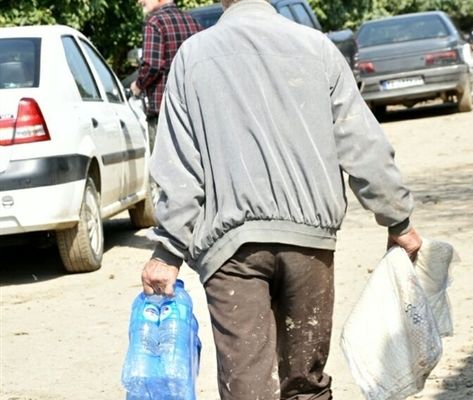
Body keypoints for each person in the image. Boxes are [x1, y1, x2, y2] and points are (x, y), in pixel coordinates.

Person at [141, 0, 423, 398]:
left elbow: (179, 166)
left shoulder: (194, 57)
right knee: (304, 384)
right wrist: (398, 221)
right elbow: (362, 144)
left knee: (248, 388)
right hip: (308, 243)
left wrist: (167, 252)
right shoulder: (316, 47)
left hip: (230, 252)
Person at [130, 0, 200, 152]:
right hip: (192, 113)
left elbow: (152, 65)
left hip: (164, 115)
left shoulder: (154, 23)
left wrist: (138, 85)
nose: (139, 1)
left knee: (162, 172)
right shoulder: (192, 22)